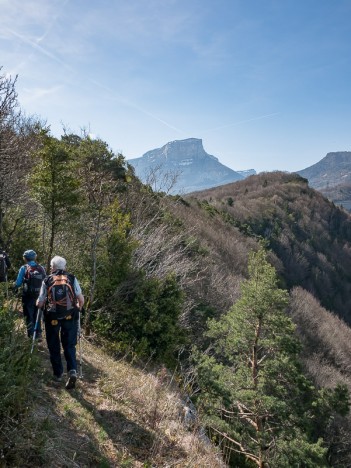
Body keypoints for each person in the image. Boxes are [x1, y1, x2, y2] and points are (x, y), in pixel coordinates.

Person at [37, 255, 84, 390]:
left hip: (52, 317)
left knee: (53, 344)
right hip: (69, 316)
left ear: (53, 267)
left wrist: (38, 304)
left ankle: (58, 374)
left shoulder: (47, 280)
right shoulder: (72, 278)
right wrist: (78, 308)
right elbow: (81, 299)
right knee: (69, 344)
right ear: (65, 267)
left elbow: (40, 303)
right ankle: (73, 370)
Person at [14, 250, 46, 339]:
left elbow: (18, 283)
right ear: (35, 257)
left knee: (28, 315)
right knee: (38, 314)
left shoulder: (24, 268)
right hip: (39, 295)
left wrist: (13, 287)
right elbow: (45, 281)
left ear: (25, 258)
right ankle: (38, 333)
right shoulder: (41, 268)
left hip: (27, 296)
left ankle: (31, 335)